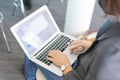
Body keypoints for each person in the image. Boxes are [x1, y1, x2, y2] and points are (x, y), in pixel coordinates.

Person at [24, 0, 120, 80]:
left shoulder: (111, 51)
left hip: (71, 75)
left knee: (34, 50)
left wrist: (65, 65)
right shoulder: (116, 24)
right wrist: (91, 46)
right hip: (82, 64)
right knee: (41, 48)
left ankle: (30, 77)